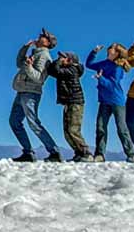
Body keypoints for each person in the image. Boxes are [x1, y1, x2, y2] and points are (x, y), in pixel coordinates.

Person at [9, 29, 63, 163]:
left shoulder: (44, 57)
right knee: (14, 122)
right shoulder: (35, 53)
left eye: (44, 36)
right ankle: (28, 153)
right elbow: (18, 63)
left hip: (31, 93)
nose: (40, 36)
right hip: (22, 91)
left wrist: (28, 66)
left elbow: (39, 78)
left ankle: (54, 152)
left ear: (48, 43)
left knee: (33, 123)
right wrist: (25, 48)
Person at [85, 41, 134, 162]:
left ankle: (130, 154)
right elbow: (89, 64)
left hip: (116, 101)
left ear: (118, 54)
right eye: (110, 48)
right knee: (100, 127)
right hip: (104, 101)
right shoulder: (104, 64)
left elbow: (113, 85)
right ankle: (100, 154)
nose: (110, 50)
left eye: (113, 49)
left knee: (121, 128)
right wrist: (94, 52)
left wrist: (101, 78)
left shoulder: (118, 68)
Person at [46, 51, 92, 161]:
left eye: (63, 58)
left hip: (75, 103)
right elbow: (51, 71)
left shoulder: (73, 69)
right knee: (67, 131)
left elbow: (57, 71)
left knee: (73, 129)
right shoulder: (67, 69)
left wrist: (58, 62)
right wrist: (58, 61)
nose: (60, 59)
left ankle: (86, 153)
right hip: (69, 102)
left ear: (70, 60)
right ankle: (78, 152)